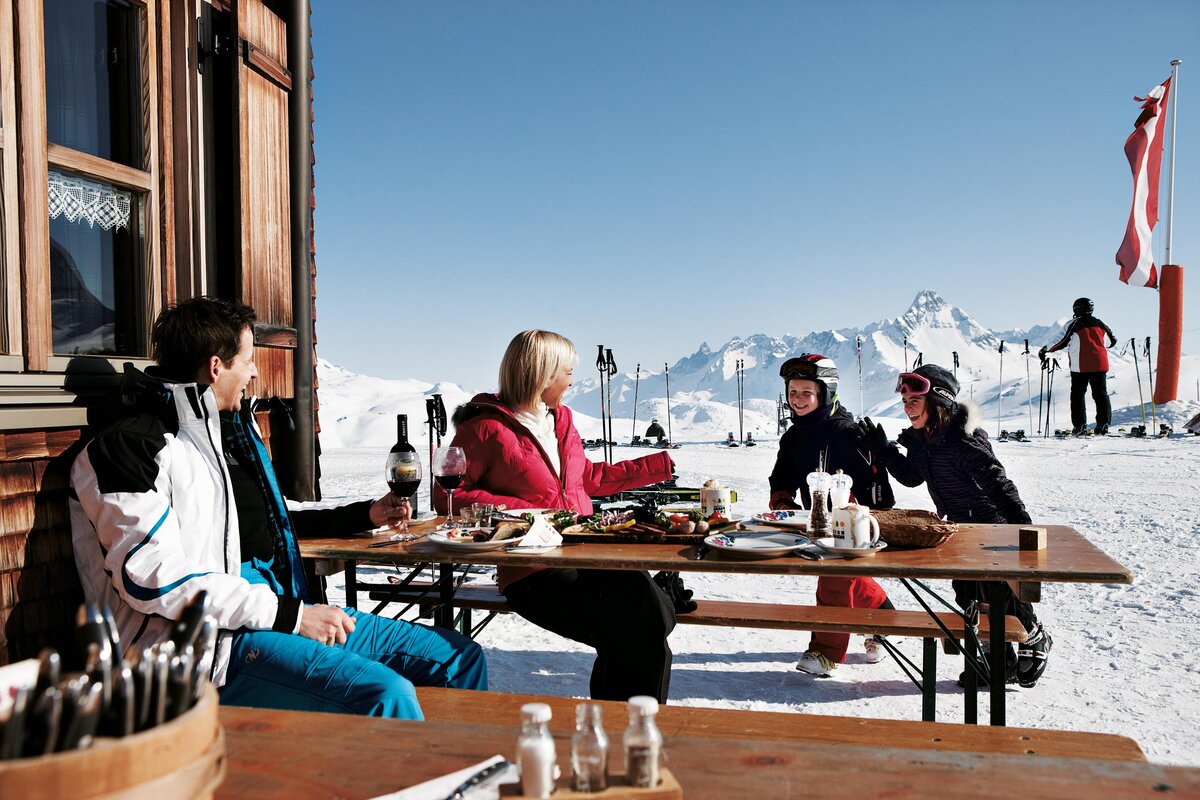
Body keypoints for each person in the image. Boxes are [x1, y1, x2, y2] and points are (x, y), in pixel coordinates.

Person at [69, 298, 487, 720]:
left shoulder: (229, 434)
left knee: (458, 658)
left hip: (276, 607)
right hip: (207, 647)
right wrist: (290, 616)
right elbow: (152, 579)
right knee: (385, 694)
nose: (254, 372)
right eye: (248, 360)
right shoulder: (130, 449)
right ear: (216, 368)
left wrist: (363, 516)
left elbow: (273, 526)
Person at [439, 330, 676, 702]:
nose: (571, 381)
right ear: (543, 374)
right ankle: (634, 726)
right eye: (567, 372)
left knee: (641, 614)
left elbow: (586, 479)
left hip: (586, 552)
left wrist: (656, 466)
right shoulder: (483, 429)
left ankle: (624, 726)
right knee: (642, 624)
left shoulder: (561, 421)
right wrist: (525, 511)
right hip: (533, 568)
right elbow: (448, 497)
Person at [857, 364, 1053, 688]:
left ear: (938, 402)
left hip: (991, 528)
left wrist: (1021, 525)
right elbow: (912, 476)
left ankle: (1034, 636)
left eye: (914, 401)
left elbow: (997, 483)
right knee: (968, 596)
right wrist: (885, 450)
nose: (907, 408)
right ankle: (997, 660)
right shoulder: (924, 439)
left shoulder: (963, 440)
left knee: (1001, 595)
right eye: (904, 402)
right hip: (958, 529)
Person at [767, 354, 897, 677]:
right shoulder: (793, 437)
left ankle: (825, 652)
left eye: (806, 393)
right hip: (817, 522)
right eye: (792, 392)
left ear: (826, 393)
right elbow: (782, 477)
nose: (797, 400)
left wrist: (858, 512)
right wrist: (782, 501)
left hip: (855, 526)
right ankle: (883, 618)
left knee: (834, 578)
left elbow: (877, 492)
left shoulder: (847, 433)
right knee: (844, 578)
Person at [1040, 297, 1117, 436]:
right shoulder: (1100, 323)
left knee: (1077, 395)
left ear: (1076, 309)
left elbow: (1061, 341)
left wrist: (1046, 349)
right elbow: (1113, 341)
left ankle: (1080, 426)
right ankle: (1103, 424)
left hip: (1081, 365)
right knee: (1100, 394)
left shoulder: (1074, 323)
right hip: (1100, 363)